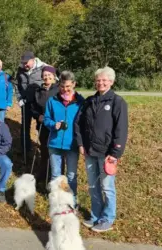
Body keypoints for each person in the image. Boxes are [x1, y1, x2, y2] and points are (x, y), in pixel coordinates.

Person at [74, 66, 128, 232]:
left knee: (107, 188)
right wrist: (81, 144)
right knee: (92, 186)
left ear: (111, 82)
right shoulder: (89, 101)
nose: (101, 83)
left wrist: (115, 153)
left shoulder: (118, 102)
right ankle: (96, 216)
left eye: (104, 80)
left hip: (106, 154)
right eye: (98, 80)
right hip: (90, 151)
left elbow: (121, 129)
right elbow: (78, 124)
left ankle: (107, 218)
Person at [43, 71, 84, 205]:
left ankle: (72, 200)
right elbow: (46, 119)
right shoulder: (52, 101)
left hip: (72, 144)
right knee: (55, 175)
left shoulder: (80, 102)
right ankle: (56, 200)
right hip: (54, 143)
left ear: (74, 84)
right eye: (61, 86)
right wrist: (53, 125)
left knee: (71, 175)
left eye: (67, 86)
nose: (65, 89)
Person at [31, 66, 60, 182]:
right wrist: (38, 116)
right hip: (43, 125)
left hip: (56, 126)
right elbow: (33, 108)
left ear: (54, 76)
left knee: (56, 153)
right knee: (44, 150)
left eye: (49, 75)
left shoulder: (59, 89)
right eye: (45, 75)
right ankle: (43, 175)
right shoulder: (38, 91)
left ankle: (56, 176)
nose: (47, 77)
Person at [16, 51, 49, 151]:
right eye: (23, 62)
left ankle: (44, 149)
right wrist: (19, 98)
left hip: (39, 103)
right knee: (25, 127)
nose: (25, 64)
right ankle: (25, 150)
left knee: (41, 126)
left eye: (27, 62)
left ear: (33, 59)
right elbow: (17, 85)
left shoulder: (44, 67)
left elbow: (53, 82)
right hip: (25, 102)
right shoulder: (21, 70)